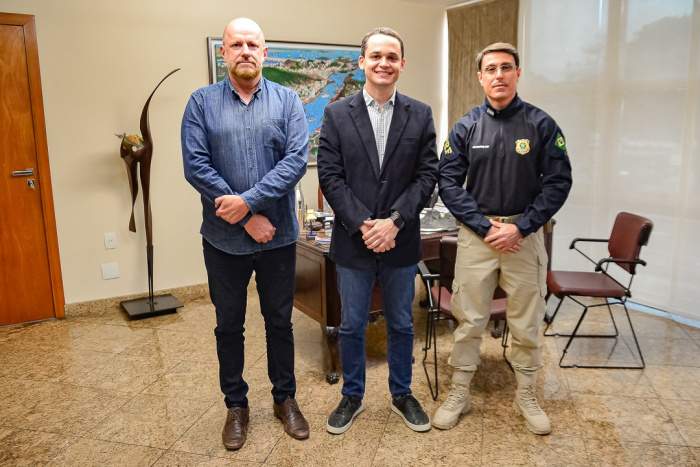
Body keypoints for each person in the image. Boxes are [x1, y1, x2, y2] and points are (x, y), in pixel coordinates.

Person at [181, 17, 310, 450]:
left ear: (265, 52)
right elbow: (196, 166)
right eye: (236, 44)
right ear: (224, 53)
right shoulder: (200, 103)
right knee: (228, 324)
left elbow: (295, 161)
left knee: (280, 322)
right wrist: (244, 216)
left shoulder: (289, 101)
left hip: (280, 237)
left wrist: (249, 201)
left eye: (252, 44)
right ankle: (236, 406)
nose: (245, 51)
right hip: (223, 241)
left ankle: (285, 399)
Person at [434, 42, 572, 435]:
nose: (498, 75)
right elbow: (448, 181)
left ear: (517, 73)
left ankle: (527, 392)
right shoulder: (466, 126)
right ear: (480, 77)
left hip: (523, 238)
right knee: (468, 318)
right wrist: (484, 226)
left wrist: (522, 226)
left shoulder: (541, 125)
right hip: (478, 238)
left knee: (527, 320)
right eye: (490, 68)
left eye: (506, 68)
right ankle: (459, 391)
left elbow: (559, 182)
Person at [317, 27, 438, 435]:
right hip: (354, 241)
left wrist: (396, 221)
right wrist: (365, 223)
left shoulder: (420, 114)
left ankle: (402, 393)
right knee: (351, 324)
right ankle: (352, 396)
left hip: (401, 241)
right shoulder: (336, 114)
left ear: (402, 64)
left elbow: (427, 176)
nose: (384, 63)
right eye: (376, 56)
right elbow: (331, 178)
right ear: (362, 62)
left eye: (392, 56)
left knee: (402, 323)